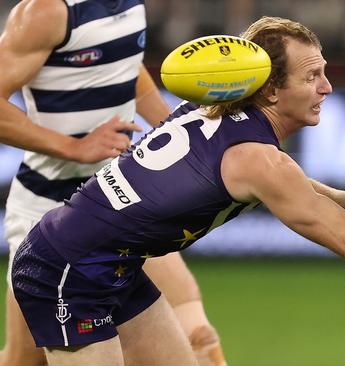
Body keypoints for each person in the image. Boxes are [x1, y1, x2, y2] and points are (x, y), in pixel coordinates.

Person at [7, 16, 345, 366]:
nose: (327, 88)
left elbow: (281, 181)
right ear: (269, 88)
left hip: (113, 264)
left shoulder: (217, 109)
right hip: (67, 271)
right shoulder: (259, 159)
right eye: (312, 77)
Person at [0, 1, 226, 365]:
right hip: (48, 215)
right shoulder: (46, 11)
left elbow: (127, 69)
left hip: (119, 199)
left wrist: (180, 135)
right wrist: (73, 147)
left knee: (198, 335)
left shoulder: (131, 4)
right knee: (26, 362)